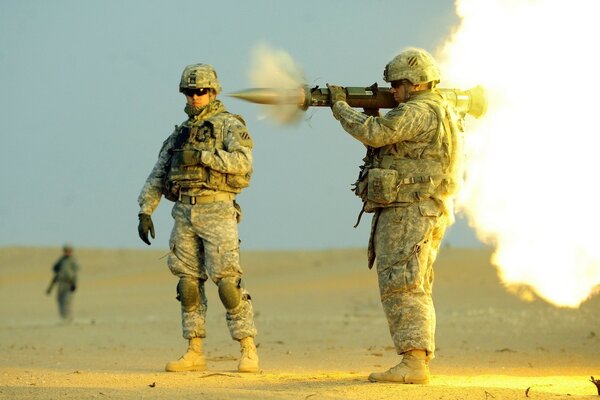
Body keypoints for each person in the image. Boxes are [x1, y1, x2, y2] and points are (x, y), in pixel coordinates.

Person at [327, 48, 464, 384]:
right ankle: (415, 358)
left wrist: (340, 106)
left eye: (397, 85)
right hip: (425, 207)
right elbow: (395, 145)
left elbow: (376, 134)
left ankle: (414, 362)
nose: (393, 92)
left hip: (410, 210)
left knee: (402, 282)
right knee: (414, 281)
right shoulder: (442, 109)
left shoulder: (418, 110)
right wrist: (373, 111)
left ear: (413, 83)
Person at [137, 63, 259, 373]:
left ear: (213, 92)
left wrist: (203, 156)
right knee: (188, 285)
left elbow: (243, 163)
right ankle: (194, 349)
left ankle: (247, 348)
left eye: (200, 92)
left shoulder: (229, 126)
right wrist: (145, 209)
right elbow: (158, 172)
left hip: (217, 210)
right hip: (184, 212)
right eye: (189, 92)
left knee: (228, 285)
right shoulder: (180, 134)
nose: (194, 98)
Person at [46, 243, 79, 321]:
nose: (67, 252)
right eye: (65, 250)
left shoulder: (73, 261)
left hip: (69, 283)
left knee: (67, 301)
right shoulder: (61, 260)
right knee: (59, 300)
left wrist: (74, 283)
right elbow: (55, 268)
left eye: (69, 251)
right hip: (61, 283)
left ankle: (68, 318)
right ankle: (63, 317)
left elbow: (75, 273)